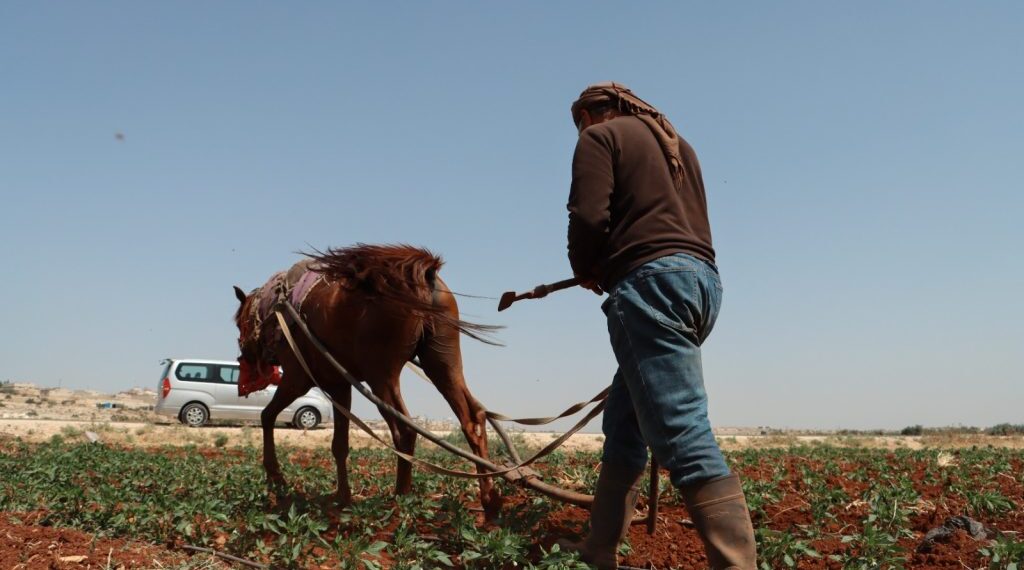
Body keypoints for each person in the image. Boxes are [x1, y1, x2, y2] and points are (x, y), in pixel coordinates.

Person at [557, 82, 756, 570]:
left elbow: (587, 215)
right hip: (701, 284)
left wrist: (586, 266)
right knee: (625, 425)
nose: (579, 129)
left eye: (578, 120)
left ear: (591, 113)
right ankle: (598, 551)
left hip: (650, 285)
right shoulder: (677, 144)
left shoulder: (599, 137)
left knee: (681, 431)